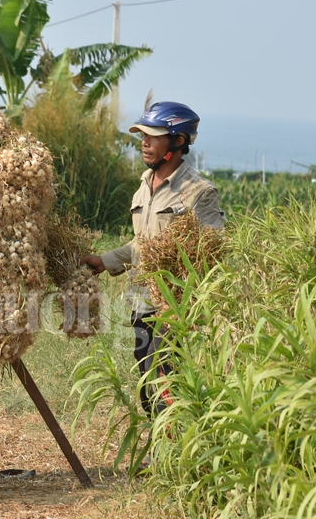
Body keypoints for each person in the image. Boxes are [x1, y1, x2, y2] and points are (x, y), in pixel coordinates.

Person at [80, 101, 224, 418]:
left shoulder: (198, 192)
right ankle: (164, 452)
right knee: (147, 383)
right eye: (142, 135)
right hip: (142, 303)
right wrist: (104, 261)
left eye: (154, 136)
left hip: (173, 307)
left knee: (166, 381)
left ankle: (173, 457)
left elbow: (213, 249)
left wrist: (185, 302)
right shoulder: (145, 186)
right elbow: (142, 244)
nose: (144, 142)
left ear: (178, 141)